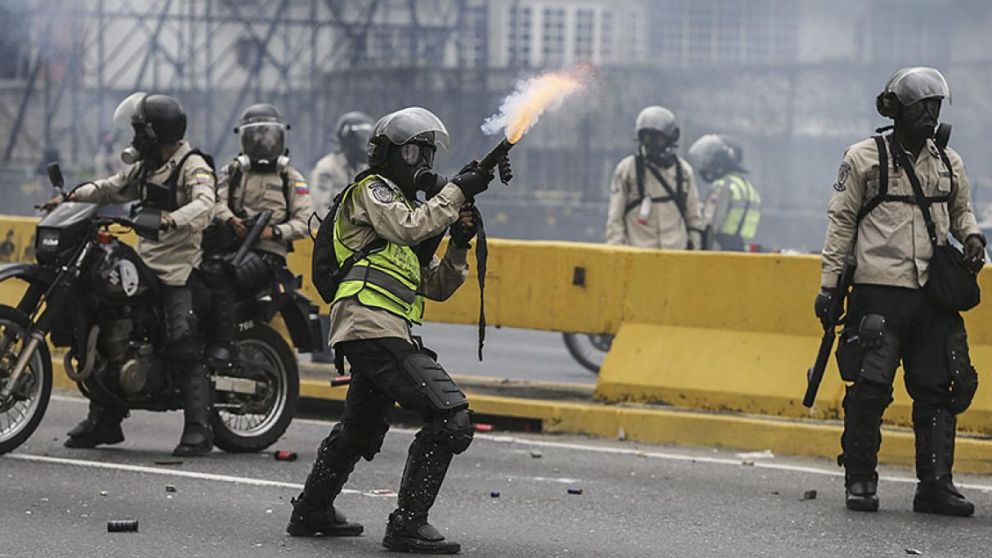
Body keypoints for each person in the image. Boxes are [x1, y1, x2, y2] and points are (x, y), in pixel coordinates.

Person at [287, 106, 500, 554]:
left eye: (428, 153)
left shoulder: (405, 221)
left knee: (361, 427)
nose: (423, 162)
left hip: (386, 328)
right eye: (415, 151)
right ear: (392, 153)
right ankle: (407, 524)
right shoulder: (372, 191)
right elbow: (411, 226)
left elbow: (437, 286)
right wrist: (457, 193)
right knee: (451, 417)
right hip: (367, 322)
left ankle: (312, 509)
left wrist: (459, 242)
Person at [817, 67, 985, 516]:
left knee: (939, 390)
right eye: (920, 107)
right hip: (879, 295)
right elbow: (841, 225)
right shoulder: (863, 159)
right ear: (896, 110)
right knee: (870, 389)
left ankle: (935, 486)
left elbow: (962, 210)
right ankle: (860, 480)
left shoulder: (950, 162)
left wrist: (972, 237)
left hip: (933, 297)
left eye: (935, 106)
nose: (930, 114)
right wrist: (829, 286)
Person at [54, 92, 217, 457]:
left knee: (182, 340)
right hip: (145, 260)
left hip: (178, 267)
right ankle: (106, 420)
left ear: (156, 132)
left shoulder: (192, 165)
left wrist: (174, 218)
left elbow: (206, 205)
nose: (134, 138)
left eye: (139, 131)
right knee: (104, 318)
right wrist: (71, 197)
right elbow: (112, 186)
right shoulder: (146, 165)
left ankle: (198, 427)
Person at [201, 103, 312, 365]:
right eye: (256, 136)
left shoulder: (291, 177)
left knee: (222, 274)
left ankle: (224, 343)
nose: (263, 142)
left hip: (268, 255)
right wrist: (231, 220)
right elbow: (214, 202)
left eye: (269, 135)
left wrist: (273, 231)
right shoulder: (233, 172)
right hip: (231, 246)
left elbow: (305, 221)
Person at [605, 106, 704, 249]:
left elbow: (694, 218)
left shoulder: (684, 171)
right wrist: (617, 251)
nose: (651, 144)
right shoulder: (627, 169)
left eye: (658, 139)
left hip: (675, 255)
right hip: (638, 254)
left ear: (670, 138)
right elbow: (615, 217)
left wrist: (693, 249)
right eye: (646, 138)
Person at [688, 134, 761, 251]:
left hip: (718, 251)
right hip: (743, 253)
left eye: (712, 159)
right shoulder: (748, 189)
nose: (708, 164)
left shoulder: (723, 186)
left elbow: (709, 224)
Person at [310, 111, 374, 218]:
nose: (365, 147)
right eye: (362, 140)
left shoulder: (364, 169)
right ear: (350, 141)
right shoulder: (326, 169)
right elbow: (320, 208)